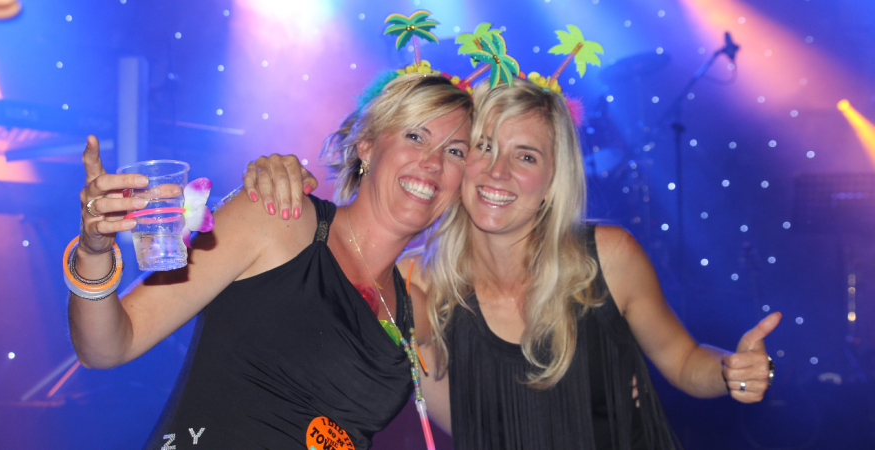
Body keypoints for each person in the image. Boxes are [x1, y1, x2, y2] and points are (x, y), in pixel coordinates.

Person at [245, 78, 780, 449]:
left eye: (525, 156)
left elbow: (685, 362)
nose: (497, 172)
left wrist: (730, 372)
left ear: (552, 181)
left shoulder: (608, 257)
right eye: (482, 147)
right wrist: (277, 185)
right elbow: (458, 422)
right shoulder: (418, 282)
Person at [67, 73, 472, 450]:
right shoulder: (276, 218)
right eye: (415, 136)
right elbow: (106, 348)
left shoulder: (413, 314)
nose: (433, 162)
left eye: (455, 151)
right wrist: (93, 252)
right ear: (366, 144)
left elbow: (480, 423)